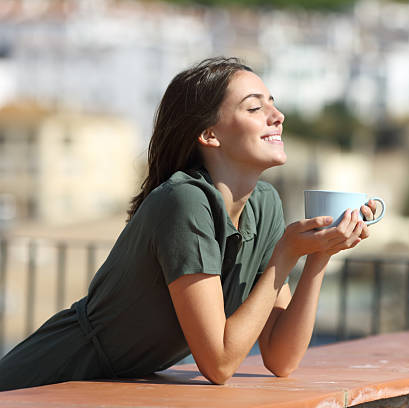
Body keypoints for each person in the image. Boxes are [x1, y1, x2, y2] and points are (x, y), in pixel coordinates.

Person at [0, 57, 377, 391]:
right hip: (46, 378)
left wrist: (316, 258)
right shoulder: (185, 201)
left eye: (273, 105)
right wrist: (285, 254)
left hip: (104, 386)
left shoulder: (264, 205)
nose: (277, 117)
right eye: (254, 108)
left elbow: (281, 358)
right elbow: (219, 363)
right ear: (209, 134)